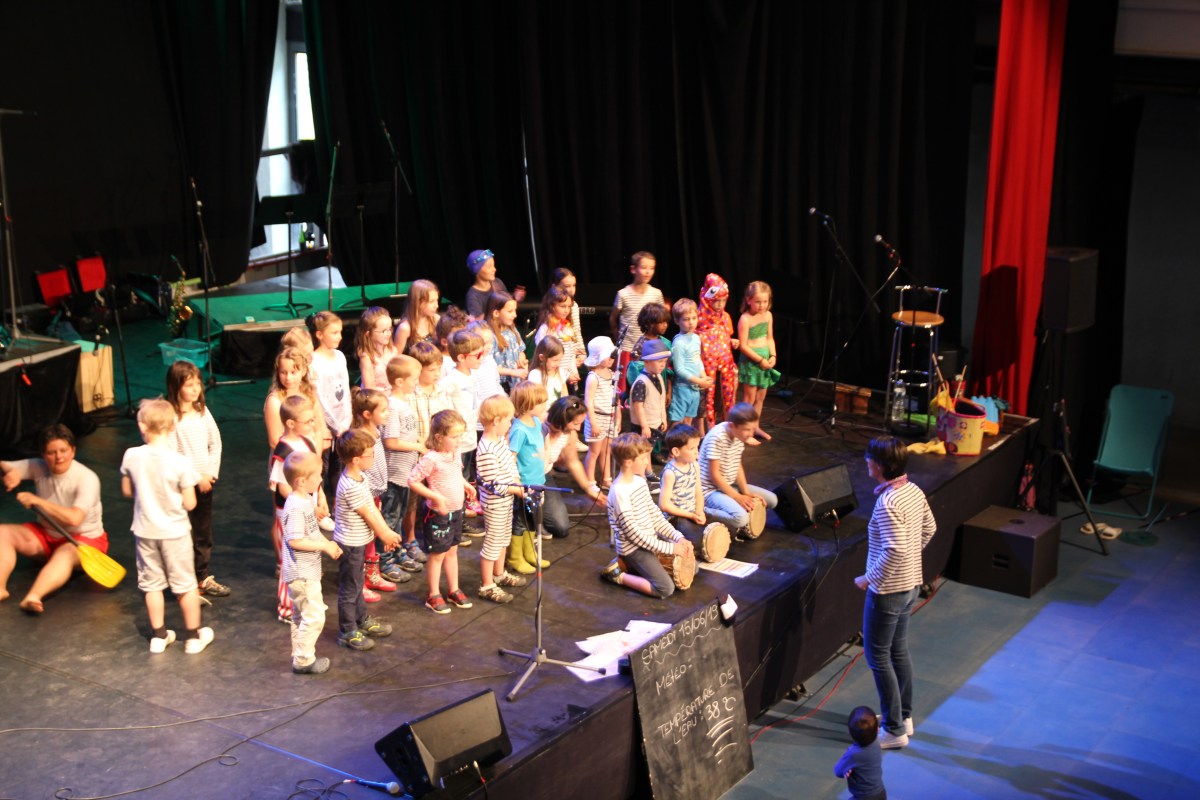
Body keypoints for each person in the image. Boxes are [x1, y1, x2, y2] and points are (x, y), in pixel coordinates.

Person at [856, 435, 936, 749]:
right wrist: (911, 560)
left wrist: (869, 578)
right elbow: (929, 529)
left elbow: (895, 549)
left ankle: (893, 729)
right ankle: (903, 717)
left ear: (878, 465)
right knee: (898, 651)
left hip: (888, 591)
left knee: (878, 656)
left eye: (869, 458)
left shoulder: (888, 503)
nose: (866, 462)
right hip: (911, 584)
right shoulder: (913, 491)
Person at [120, 398, 213, 655]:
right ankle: (192, 638)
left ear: (142, 426)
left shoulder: (132, 455)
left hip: (145, 531)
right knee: (185, 585)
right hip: (175, 533)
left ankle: (159, 637)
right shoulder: (180, 462)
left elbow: (127, 490)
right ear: (173, 426)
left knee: (152, 585)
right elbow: (190, 502)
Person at [0, 425, 106, 614]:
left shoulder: (87, 478)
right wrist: (11, 474)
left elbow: (75, 518)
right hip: (47, 536)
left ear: (73, 451)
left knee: (65, 553)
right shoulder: (38, 466)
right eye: (51, 452)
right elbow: (5, 465)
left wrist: (37, 500)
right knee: (2, 533)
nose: (59, 457)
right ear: (43, 455)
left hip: (83, 541)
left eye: (64, 450)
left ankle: (33, 597)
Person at [331, 429, 401, 652]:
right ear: (356, 459)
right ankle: (347, 630)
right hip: (350, 544)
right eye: (370, 455)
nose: (373, 458)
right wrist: (384, 534)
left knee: (357, 583)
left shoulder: (362, 477)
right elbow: (367, 514)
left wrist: (386, 531)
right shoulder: (350, 485)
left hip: (359, 541)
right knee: (350, 587)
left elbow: (373, 508)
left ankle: (361, 619)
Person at [601, 433, 692, 599]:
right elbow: (635, 535)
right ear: (628, 462)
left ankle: (635, 567)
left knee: (692, 567)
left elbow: (655, 515)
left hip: (649, 541)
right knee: (665, 588)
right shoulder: (619, 493)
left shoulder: (640, 482)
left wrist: (677, 537)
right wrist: (670, 548)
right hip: (634, 549)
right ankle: (617, 574)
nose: (646, 463)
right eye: (643, 458)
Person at [165, 359, 228, 600]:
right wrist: (195, 478)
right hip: (183, 487)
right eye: (189, 385)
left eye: (197, 384)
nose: (195, 389)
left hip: (205, 484)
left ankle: (202, 577)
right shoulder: (171, 417)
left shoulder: (201, 409)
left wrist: (209, 473)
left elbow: (215, 442)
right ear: (176, 386)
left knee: (203, 533)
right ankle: (183, 581)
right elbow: (173, 455)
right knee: (184, 534)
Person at [269, 395, 333, 622]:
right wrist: (308, 505)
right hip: (291, 514)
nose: (313, 424)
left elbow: (313, 474)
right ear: (290, 423)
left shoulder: (306, 442)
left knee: (308, 557)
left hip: (308, 508)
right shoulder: (283, 452)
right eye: (308, 421)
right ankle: (287, 607)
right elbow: (284, 488)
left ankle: (307, 601)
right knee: (292, 561)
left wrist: (320, 496)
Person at [279, 451, 343, 675]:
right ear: (301, 481)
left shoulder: (304, 500)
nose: (321, 479)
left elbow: (311, 533)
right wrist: (324, 547)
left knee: (301, 616)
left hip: (306, 571)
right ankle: (304, 660)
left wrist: (327, 543)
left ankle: (299, 654)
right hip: (301, 573)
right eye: (317, 475)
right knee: (314, 616)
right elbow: (295, 540)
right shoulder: (296, 507)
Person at [408, 409, 477, 614]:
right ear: (439, 437)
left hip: (456, 511)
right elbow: (412, 480)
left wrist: (465, 484)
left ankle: (454, 589)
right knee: (438, 554)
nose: (459, 441)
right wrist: (435, 497)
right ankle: (433, 594)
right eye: (454, 437)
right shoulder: (431, 459)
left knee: (452, 551)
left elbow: (456, 474)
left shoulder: (454, 452)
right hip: (438, 515)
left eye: (460, 436)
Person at [474, 394, 527, 602]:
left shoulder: (501, 441)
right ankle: (487, 585)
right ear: (496, 421)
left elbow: (511, 465)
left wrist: (517, 482)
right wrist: (517, 490)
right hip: (495, 504)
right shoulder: (486, 449)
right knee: (493, 542)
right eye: (508, 420)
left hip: (507, 500)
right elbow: (493, 484)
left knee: (504, 538)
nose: (510, 424)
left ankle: (499, 573)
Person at [698, 402, 778, 536]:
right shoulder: (717, 437)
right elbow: (714, 475)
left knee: (772, 500)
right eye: (747, 429)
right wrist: (737, 497)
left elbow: (737, 464)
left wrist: (745, 492)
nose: (750, 434)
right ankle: (703, 510)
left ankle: (728, 503)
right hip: (710, 491)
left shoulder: (739, 434)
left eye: (753, 429)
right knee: (740, 518)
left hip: (728, 485)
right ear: (732, 426)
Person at [379, 354, 426, 579]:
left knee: (399, 516)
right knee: (390, 517)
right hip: (393, 474)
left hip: (405, 473)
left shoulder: (403, 404)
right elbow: (391, 441)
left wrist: (419, 442)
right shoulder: (392, 406)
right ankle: (385, 559)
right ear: (399, 381)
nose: (416, 383)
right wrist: (418, 446)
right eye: (413, 379)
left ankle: (397, 552)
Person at [349, 387, 398, 599]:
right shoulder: (361, 437)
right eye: (383, 410)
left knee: (370, 536)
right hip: (364, 495)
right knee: (363, 537)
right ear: (367, 414)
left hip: (375, 492)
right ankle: (359, 582)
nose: (388, 413)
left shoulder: (377, 432)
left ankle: (372, 575)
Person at [506, 381, 552, 573]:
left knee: (533, 519)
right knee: (520, 520)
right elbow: (511, 457)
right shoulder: (519, 430)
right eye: (540, 403)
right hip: (524, 485)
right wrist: (516, 482)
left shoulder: (536, 423)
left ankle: (529, 553)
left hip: (538, 482)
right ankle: (515, 557)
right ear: (526, 405)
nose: (544, 406)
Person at [610, 250, 665, 394]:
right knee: (624, 389)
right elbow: (613, 319)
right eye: (644, 267)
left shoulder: (656, 293)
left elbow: (661, 319)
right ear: (633, 269)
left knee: (646, 388)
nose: (648, 272)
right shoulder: (623, 294)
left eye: (651, 268)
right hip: (628, 348)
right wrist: (619, 339)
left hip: (649, 349)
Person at [310, 311, 352, 487]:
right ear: (319, 335)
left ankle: (337, 501)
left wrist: (346, 421)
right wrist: (335, 425)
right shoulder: (314, 361)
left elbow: (346, 389)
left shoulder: (340, 356)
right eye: (334, 333)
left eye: (340, 332)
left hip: (343, 424)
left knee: (339, 467)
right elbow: (318, 398)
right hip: (326, 426)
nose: (339, 336)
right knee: (323, 467)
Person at [736, 280, 779, 440]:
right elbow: (743, 346)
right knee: (749, 398)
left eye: (765, 302)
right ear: (749, 300)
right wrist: (760, 360)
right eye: (758, 302)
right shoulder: (745, 319)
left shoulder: (768, 315)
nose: (762, 305)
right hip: (752, 362)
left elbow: (769, 338)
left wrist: (773, 355)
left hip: (765, 360)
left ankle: (755, 427)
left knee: (760, 398)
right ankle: (744, 431)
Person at [697, 273, 739, 428]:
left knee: (728, 394)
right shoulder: (699, 318)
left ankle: (729, 424)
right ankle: (710, 427)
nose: (720, 304)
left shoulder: (725, 317)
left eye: (723, 300)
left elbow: (726, 336)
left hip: (725, 362)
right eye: (717, 300)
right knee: (708, 395)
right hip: (706, 365)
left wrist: (732, 341)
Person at [668, 298, 713, 429]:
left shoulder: (696, 338)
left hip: (694, 389)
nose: (691, 322)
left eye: (694, 318)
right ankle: (674, 442)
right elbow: (679, 369)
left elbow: (697, 360)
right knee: (677, 422)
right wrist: (699, 381)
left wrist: (703, 376)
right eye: (686, 319)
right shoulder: (679, 342)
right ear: (677, 321)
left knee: (689, 421)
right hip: (682, 388)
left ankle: (685, 442)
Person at [658, 423, 707, 541]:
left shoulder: (695, 465)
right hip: (676, 517)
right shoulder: (670, 473)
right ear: (676, 451)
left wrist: (699, 511)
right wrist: (691, 516)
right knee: (698, 538)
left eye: (697, 447)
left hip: (692, 512)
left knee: (725, 527)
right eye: (692, 448)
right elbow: (664, 505)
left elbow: (698, 492)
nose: (696, 452)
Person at [582, 335, 619, 490]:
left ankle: (606, 479)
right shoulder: (593, 377)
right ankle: (589, 481)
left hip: (609, 417)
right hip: (596, 418)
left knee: (606, 451)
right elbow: (588, 402)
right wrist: (594, 423)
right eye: (608, 356)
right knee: (594, 451)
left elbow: (616, 399)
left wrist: (618, 418)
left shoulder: (612, 374)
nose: (611, 359)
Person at [629, 338, 671, 463]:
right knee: (641, 451)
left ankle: (648, 471)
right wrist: (644, 426)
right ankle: (640, 471)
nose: (663, 365)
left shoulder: (658, 377)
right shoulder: (642, 382)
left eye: (664, 362)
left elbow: (660, 400)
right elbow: (638, 406)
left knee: (648, 450)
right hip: (645, 425)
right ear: (647, 361)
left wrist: (663, 418)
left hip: (655, 422)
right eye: (659, 362)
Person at [534, 285, 583, 390]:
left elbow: (570, 354)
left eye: (569, 307)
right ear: (552, 306)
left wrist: (573, 372)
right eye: (562, 306)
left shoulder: (567, 328)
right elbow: (545, 360)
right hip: (553, 380)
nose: (566, 310)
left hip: (568, 378)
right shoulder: (545, 330)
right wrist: (566, 375)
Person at [834, 706, 887, 800]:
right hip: (880, 792)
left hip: (863, 797)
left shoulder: (853, 753)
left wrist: (846, 771)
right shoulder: (876, 742)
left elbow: (838, 771)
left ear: (850, 732)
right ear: (877, 729)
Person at [486, 290, 528, 391]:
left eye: (515, 311)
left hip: (515, 384)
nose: (515, 315)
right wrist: (512, 372)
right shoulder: (490, 336)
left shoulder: (512, 330)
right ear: (496, 313)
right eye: (510, 311)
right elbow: (487, 366)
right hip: (500, 386)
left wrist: (521, 361)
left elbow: (521, 351)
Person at [464, 248, 525, 319]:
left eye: (493, 265)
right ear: (477, 270)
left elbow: (506, 306)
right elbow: (478, 322)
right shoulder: (473, 296)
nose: (494, 269)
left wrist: (514, 298)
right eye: (489, 267)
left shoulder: (497, 283)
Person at [356, 306, 398, 390]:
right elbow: (369, 388)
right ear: (368, 333)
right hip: (376, 396)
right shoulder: (367, 358)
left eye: (390, 329)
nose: (389, 333)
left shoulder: (393, 351)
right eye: (383, 331)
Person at [393, 279, 440, 354]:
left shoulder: (436, 319)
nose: (436, 306)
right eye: (431, 301)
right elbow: (397, 357)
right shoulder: (405, 328)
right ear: (417, 302)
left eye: (436, 300)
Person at [528, 335, 569, 404]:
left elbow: (565, 393)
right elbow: (534, 400)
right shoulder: (535, 375)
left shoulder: (560, 371)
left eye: (560, 360)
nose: (558, 364)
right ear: (542, 357)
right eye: (555, 360)